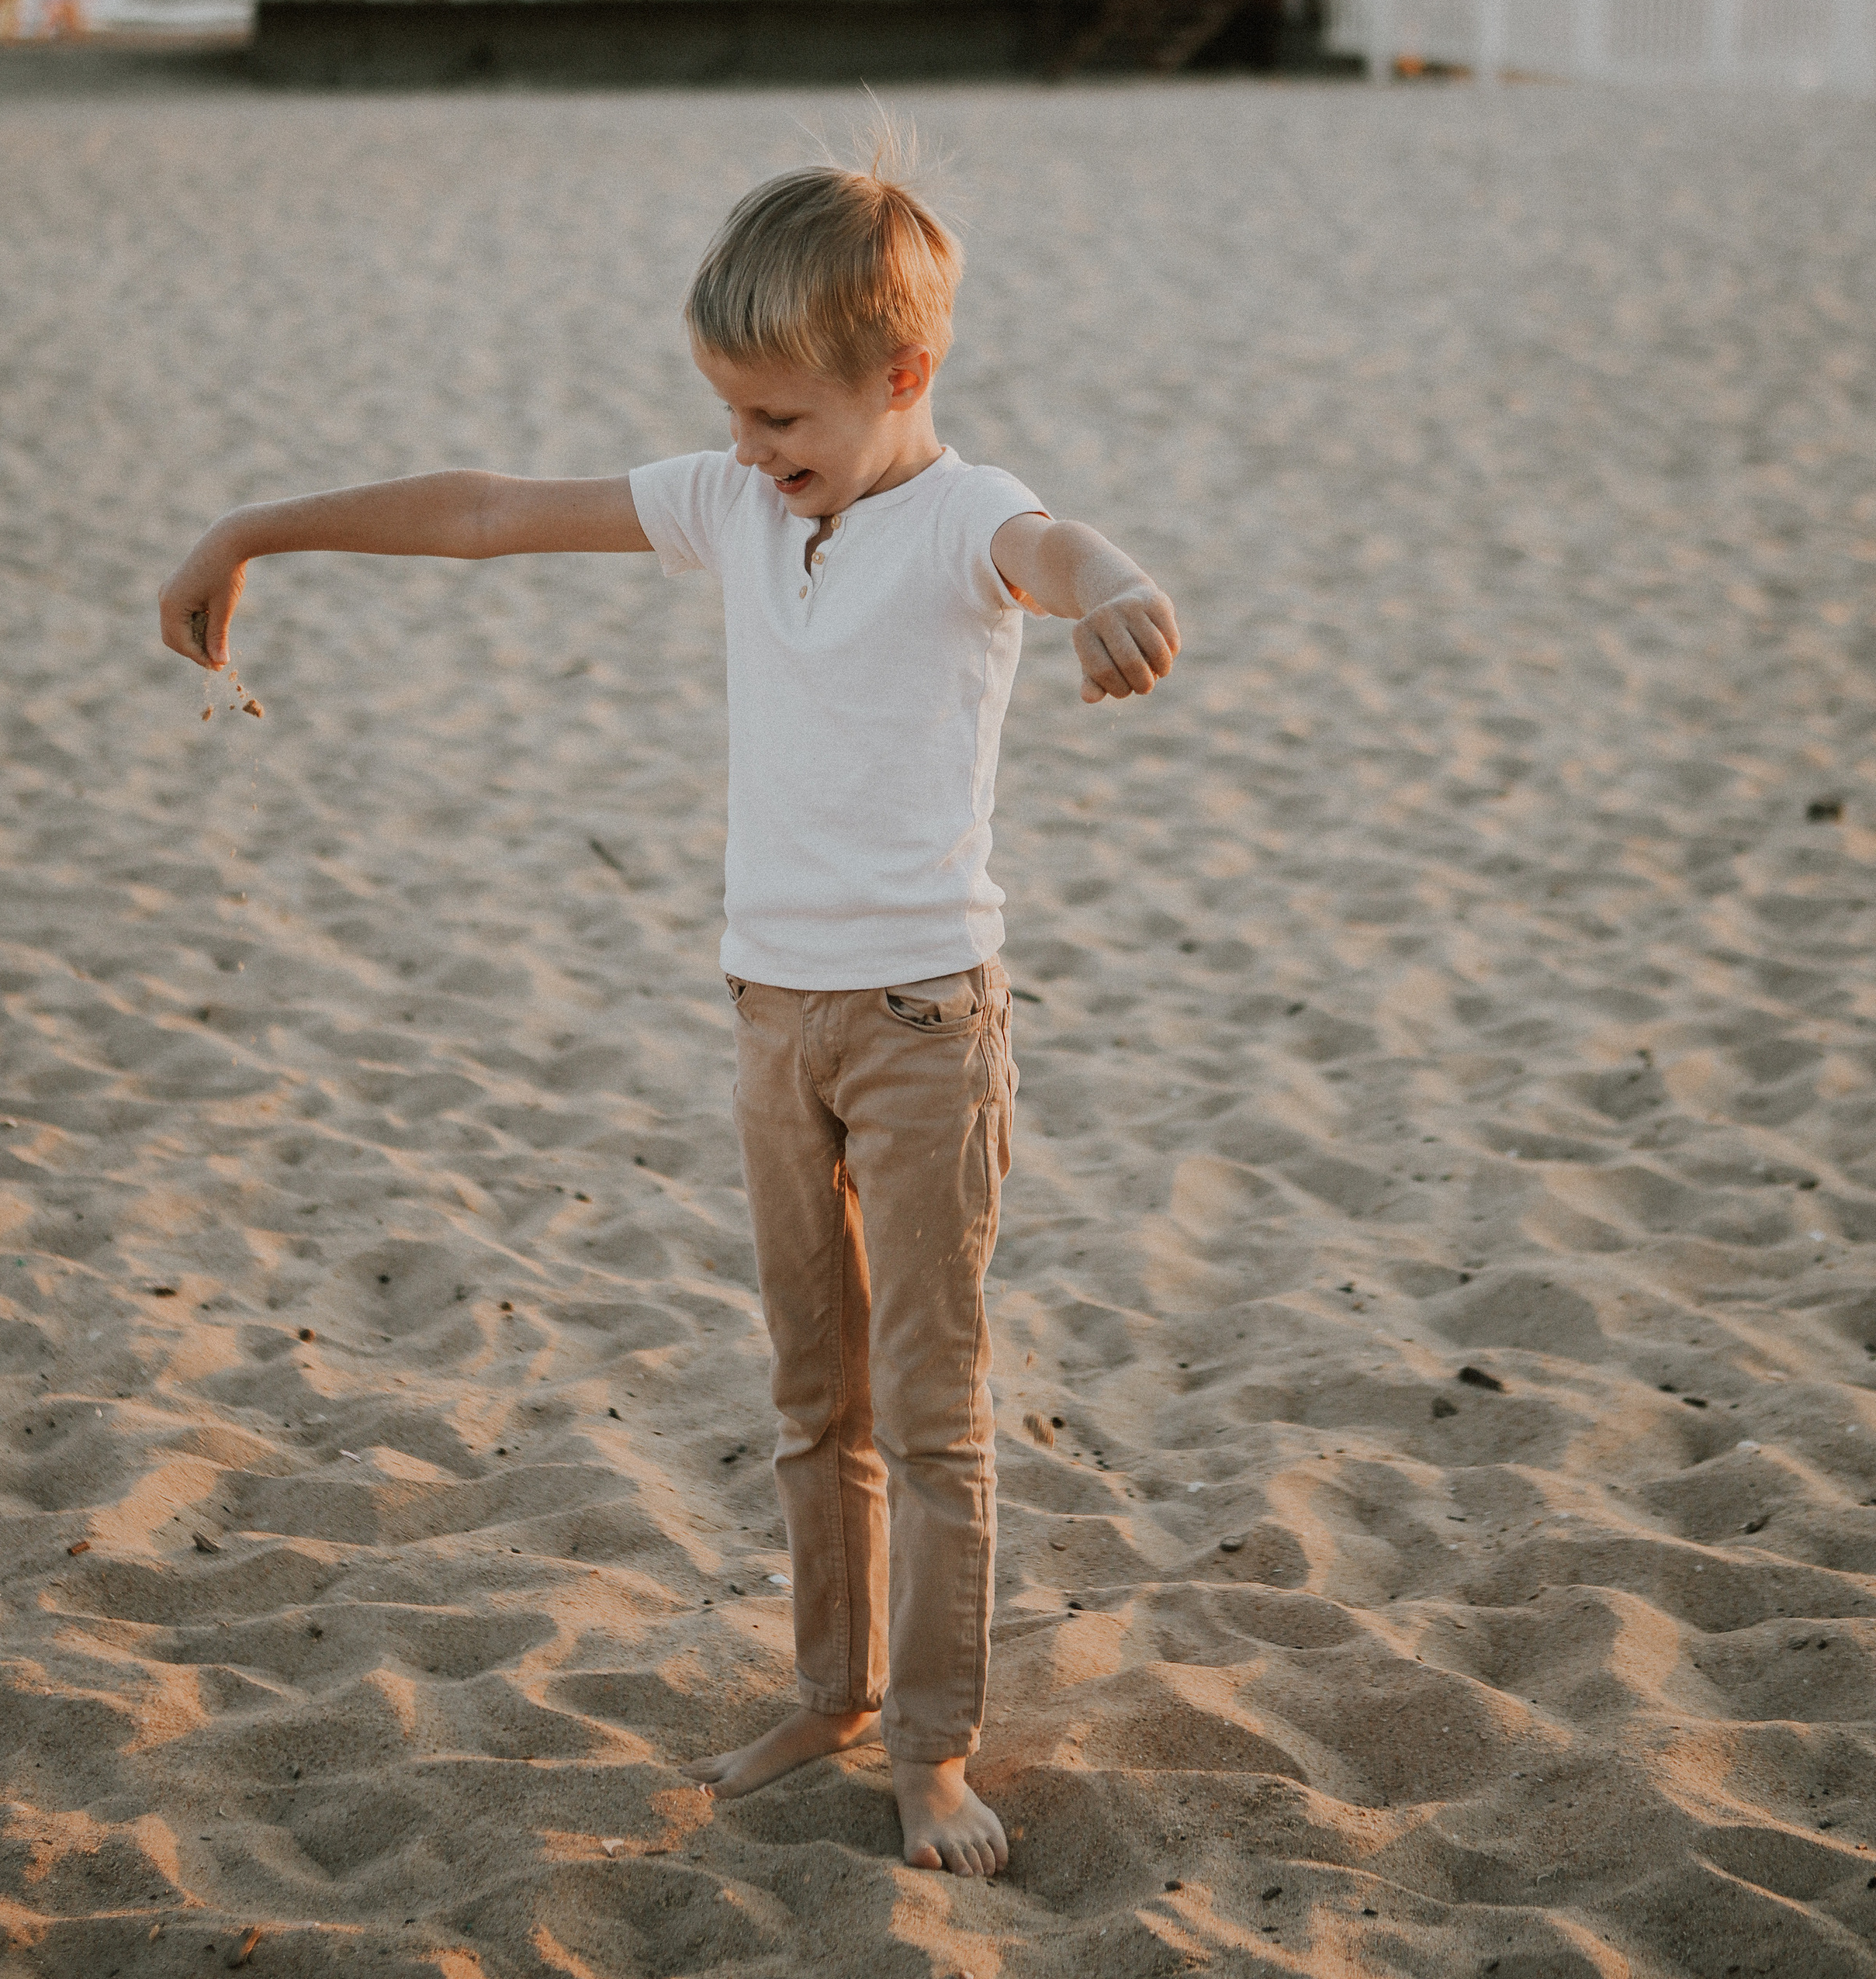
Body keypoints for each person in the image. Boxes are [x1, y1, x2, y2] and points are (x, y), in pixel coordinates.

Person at [157, 133, 1180, 1879]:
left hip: (928, 1027)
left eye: (782, 419)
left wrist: (1118, 593)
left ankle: (934, 1752)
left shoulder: (957, 515)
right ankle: (828, 1692)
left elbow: (1055, 546)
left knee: (928, 1407)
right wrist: (260, 528)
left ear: (900, 379)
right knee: (810, 1395)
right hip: (771, 1019)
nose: (747, 449)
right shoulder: (728, 503)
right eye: (730, 414)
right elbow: (487, 510)